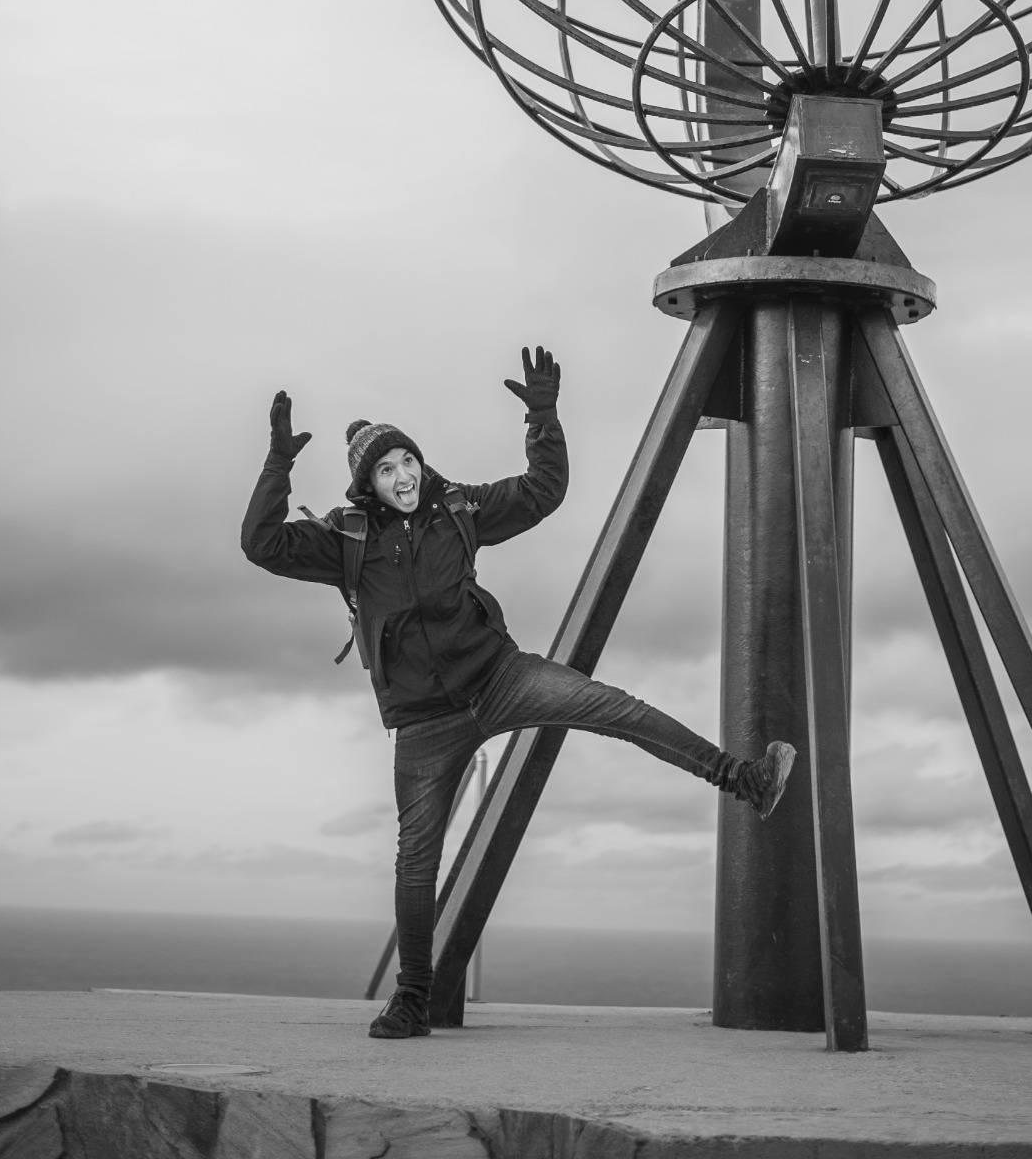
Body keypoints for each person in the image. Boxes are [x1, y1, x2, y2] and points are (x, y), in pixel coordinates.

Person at [241, 345, 795, 1040]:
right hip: (423, 722)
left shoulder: (458, 510)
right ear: (367, 483)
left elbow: (542, 491)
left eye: (406, 459)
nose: (402, 474)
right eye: (385, 468)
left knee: (616, 709)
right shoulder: (344, 542)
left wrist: (543, 416)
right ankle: (412, 1000)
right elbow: (260, 545)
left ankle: (744, 778)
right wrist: (277, 464)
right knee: (416, 859)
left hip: (499, 678)